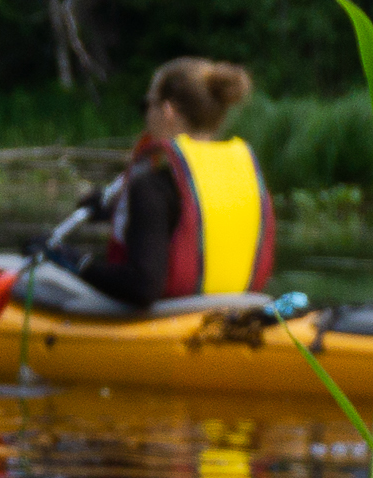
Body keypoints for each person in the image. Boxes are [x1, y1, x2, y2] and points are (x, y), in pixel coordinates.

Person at [66, 57, 275, 307]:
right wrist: (115, 211)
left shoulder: (152, 186)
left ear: (167, 111)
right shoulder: (238, 176)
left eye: (147, 105)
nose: (146, 115)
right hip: (235, 309)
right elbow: (188, 222)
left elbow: (142, 287)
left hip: (169, 317)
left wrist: (75, 262)